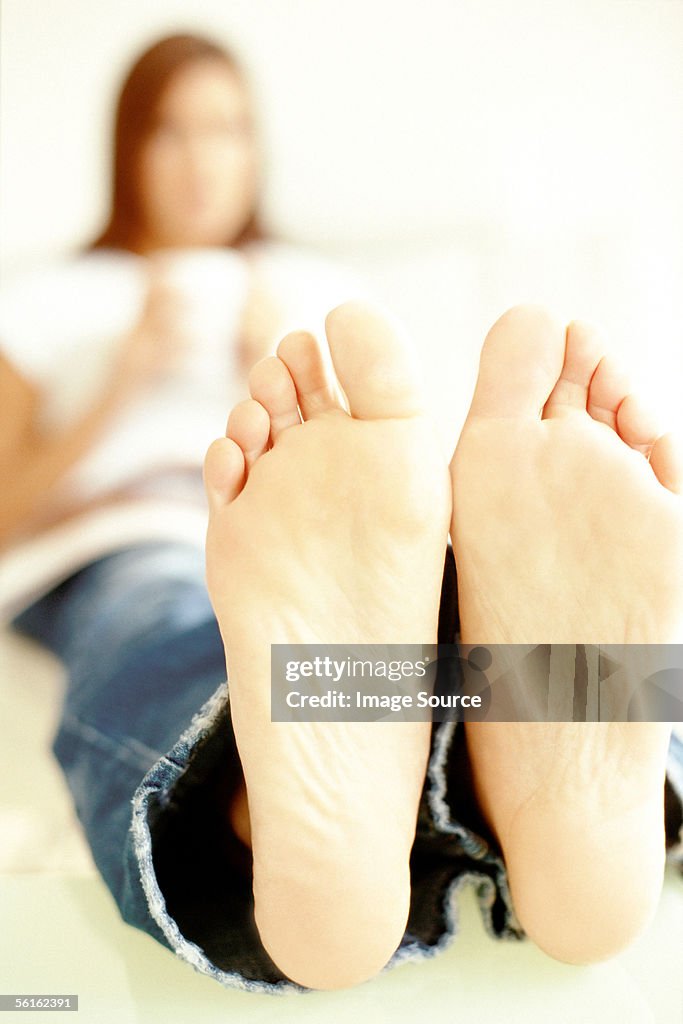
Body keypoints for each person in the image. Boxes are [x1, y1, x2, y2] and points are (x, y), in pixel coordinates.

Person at [0, 35, 681, 995]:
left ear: (255, 150)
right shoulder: (49, 303)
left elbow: (406, 510)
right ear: (128, 150)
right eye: (170, 132)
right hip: (132, 537)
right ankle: (506, 757)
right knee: (176, 619)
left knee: (434, 601)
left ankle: (397, 791)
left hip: (321, 552)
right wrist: (128, 374)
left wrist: (260, 350)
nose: (201, 159)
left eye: (226, 130)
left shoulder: (309, 289)